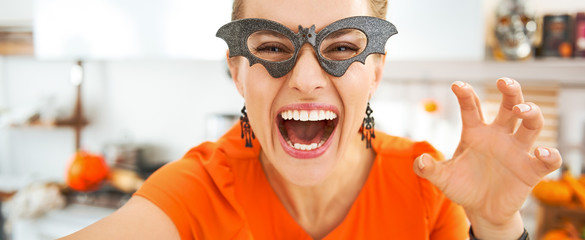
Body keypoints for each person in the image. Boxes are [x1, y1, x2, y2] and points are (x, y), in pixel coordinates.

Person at [60, 0, 563, 239]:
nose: (305, 78)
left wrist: (497, 227)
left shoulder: (429, 185)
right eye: (273, 47)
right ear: (237, 71)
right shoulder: (199, 189)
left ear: (377, 71)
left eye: (343, 47)